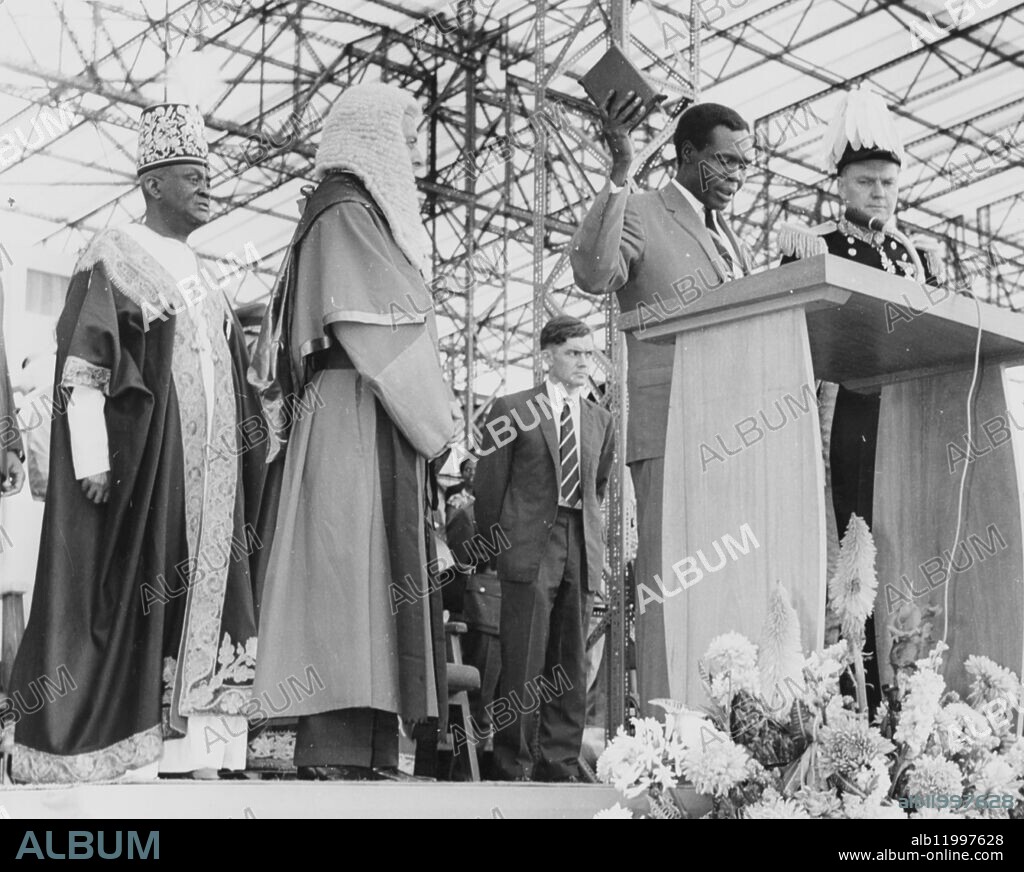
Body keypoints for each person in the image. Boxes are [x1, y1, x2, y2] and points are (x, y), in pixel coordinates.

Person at [6, 101, 266, 782]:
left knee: (209, 598)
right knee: (137, 594)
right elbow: (86, 359)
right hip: (146, 473)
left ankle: (201, 749)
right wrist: (90, 454)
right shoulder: (115, 255)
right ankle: (135, 747)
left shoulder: (206, 276)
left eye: (209, 176)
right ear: (153, 183)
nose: (208, 187)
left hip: (212, 481)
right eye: (192, 175)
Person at [250, 82, 462, 781]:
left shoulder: (350, 211)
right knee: (346, 575)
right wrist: (440, 424)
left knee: (365, 577)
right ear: (375, 139)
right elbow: (379, 333)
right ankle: (335, 746)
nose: (406, 156)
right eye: (399, 139)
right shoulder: (345, 211)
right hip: (355, 409)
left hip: (368, 412)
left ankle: (368, 746)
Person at [569, 99, 754, 712]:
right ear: (688, 156)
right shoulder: (644, 211)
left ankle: (721, 727)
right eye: (726, 161)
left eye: (746, 165)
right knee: (670, 582)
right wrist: (619, 177)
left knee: (727, 584)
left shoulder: (731, 236)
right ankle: (662, 731)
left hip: (734, 432)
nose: (738, 174)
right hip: (670, 427)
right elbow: (594, 275)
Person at [778, 85, 942, 708]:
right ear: (841, 185)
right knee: (853, 542)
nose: (880, 193)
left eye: (889, 184)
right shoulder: (816, 240)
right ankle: (852, 688)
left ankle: (904, 689)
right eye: (868, 181)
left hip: (901, 413)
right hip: (843, 409)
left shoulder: (911, 254)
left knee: (901, 541)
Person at [475, 315, 615, 781]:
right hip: (530, 545)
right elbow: (489, 488)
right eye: (574, 353)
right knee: (525, 656)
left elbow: (597, 484)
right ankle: (513, 761)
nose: (584, 362)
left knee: (570, 660)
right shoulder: (512, 408)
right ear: (546, 356)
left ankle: (559, 761)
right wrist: (498, 547)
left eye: (588, 353)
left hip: (580, 541)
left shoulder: (600, 419)